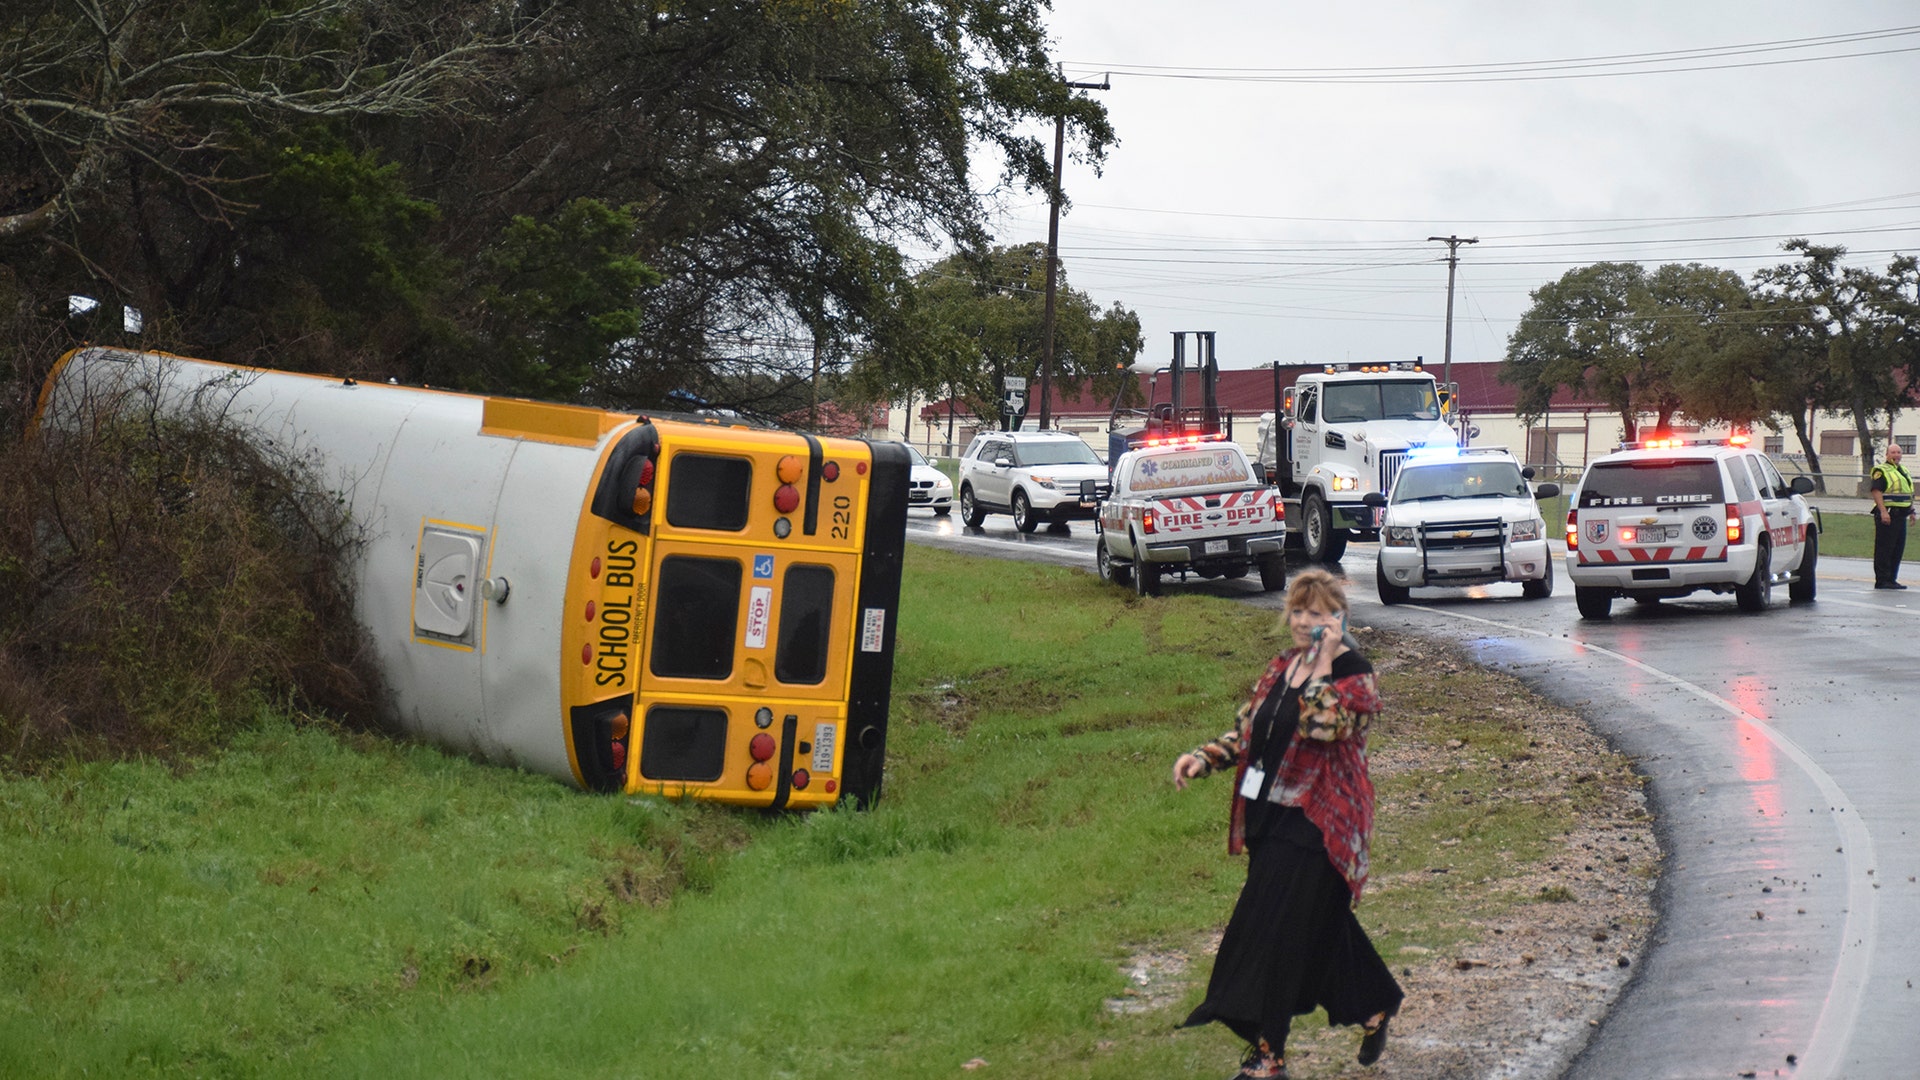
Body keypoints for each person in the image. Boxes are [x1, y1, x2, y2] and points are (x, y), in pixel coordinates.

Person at [1171, 568, 1402, 1080]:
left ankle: (1269, 1056)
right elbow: (1248, 731)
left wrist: (1324, 662)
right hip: (1270, 816)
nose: (1303, 621)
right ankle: (1373, 1004)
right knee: (1316, 927)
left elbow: (1321, 727)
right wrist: (1202, 758)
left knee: (1270, 935)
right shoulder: (1281, 666)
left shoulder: (1355, 676)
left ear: (1338, 619)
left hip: (1322, 824)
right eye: (1297, 611)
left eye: (1316, 613)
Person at [1870, 442, 1912, 590]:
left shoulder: (1903, 470)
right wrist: (1883, 511)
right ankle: (1882, 580)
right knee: (1885, 548)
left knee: (1897, 548)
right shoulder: (1881, 470)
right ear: (1887, 455)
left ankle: (1891, 579)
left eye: (1898, 452)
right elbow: (1876, 491)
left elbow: (1907, 493)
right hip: (1888, 514)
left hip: (1901, 515)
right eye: (1893, 452)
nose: (1896, 455)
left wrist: (1911, 511)